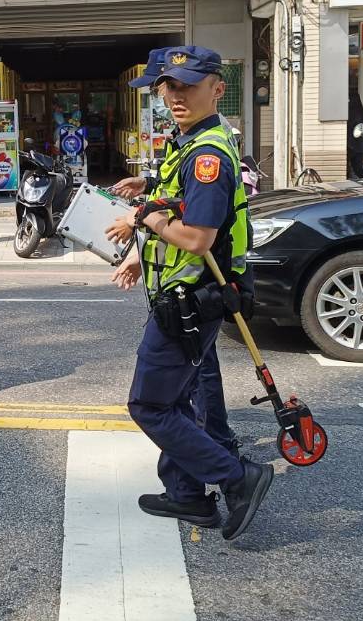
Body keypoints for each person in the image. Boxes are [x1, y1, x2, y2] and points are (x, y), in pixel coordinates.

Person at [104, 47, 273, 542]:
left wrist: (142, 218)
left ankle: (238, 478)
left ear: (217, 89)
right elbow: (178, 201)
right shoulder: (190, 141)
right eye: (168, 87)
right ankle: (188, 494)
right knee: (175, 401)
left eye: (187, 86)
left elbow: (198, 237)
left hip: (191, 298)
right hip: (183, 294)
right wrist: (150, 193)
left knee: (150, 406)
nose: (176, 96)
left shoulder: (207, 157)